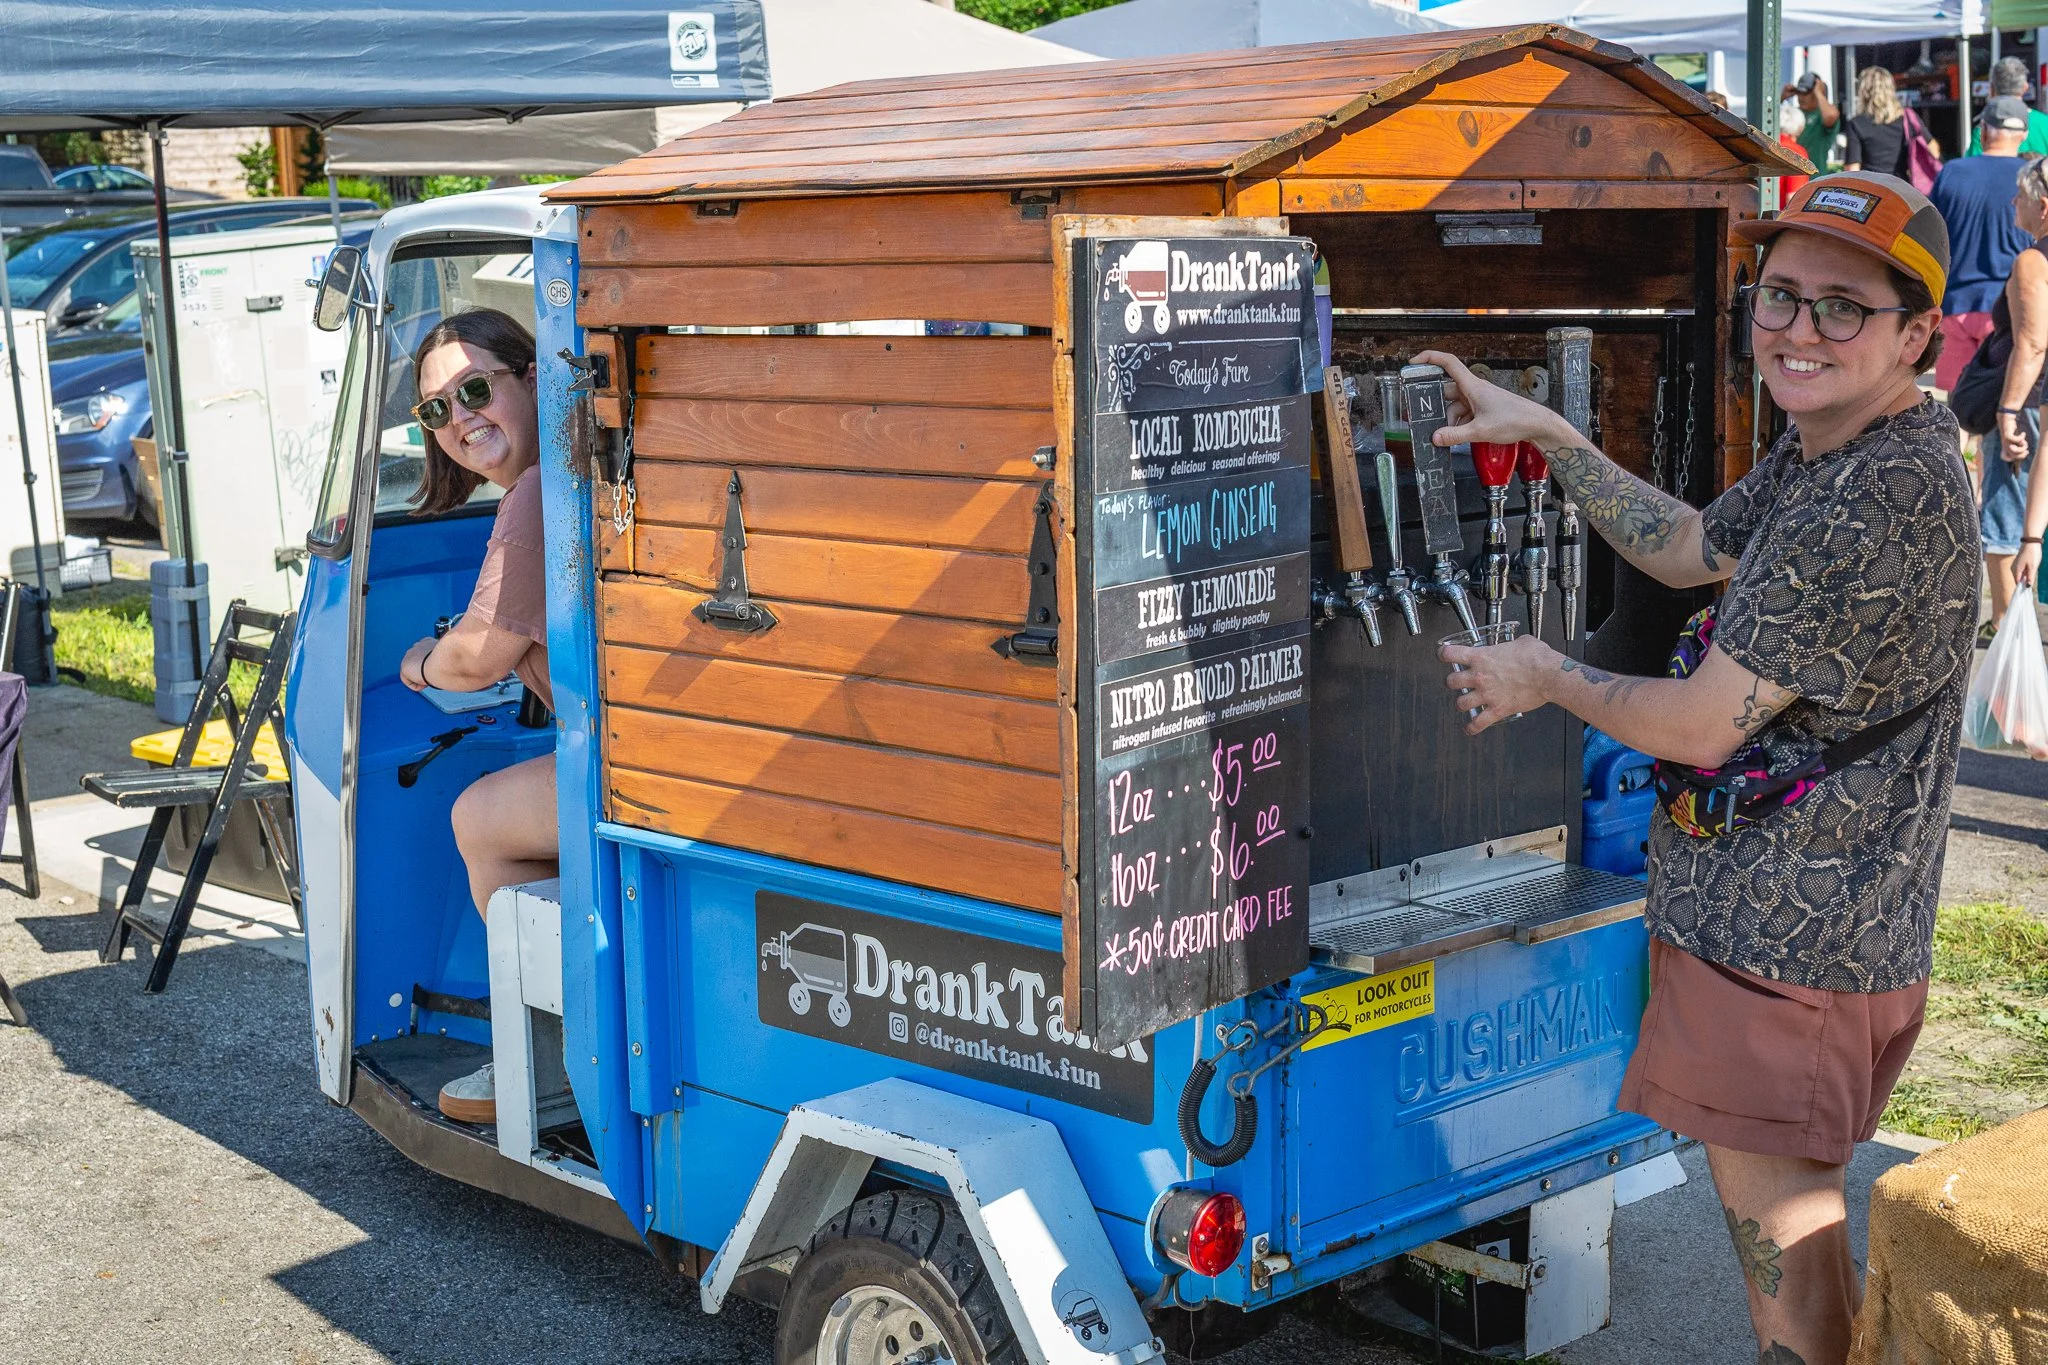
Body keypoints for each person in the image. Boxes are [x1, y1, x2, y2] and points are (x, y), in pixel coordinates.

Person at [1423, 172, 1975, 1365]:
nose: (1797, 332)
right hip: (1807, 939)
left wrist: (1546, 676)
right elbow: (1685, 550)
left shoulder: (1872, 494)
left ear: (1916, 332)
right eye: (1779, 298)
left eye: (1842, 308)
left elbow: (1700, 727)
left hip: (1788, 955)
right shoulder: (1839, 443)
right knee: (1802, 1246)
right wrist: (1553, 435)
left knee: (1789, 1283)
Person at [395, 308, 559, 1126]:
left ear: (529, 376)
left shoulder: (535, 490)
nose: (459, 418)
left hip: (632, 767)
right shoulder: (565, 472)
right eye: (436, 409)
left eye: (475, 388)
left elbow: (478, 656)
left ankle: (534, 1055)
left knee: (478, 815)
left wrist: (415, 664)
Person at [1928, 97, 2035, 393]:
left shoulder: (1953, 172)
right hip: (2011, 308)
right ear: (2023, 135)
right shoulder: (2031, 178)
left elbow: (1931, 234)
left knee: (1960, 407)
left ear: (1984, 131)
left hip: (1954, 307)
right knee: (2005, 403)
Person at [1990, 158, 2048, 620]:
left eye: (2022, 195)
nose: (2015, 202)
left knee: (2005, 522)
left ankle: (2010, 628)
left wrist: (2007, 409)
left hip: (2028, 401)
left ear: (2043, 207)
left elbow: (2031, 342)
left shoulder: (2034, 260)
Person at [1964, 55, 2048, 157]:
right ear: (2025, 88)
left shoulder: (1986, 128)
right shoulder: (2045, 124)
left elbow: (1973, 167)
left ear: (1991, 89)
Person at [1843, 68, 1913, 180]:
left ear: (1863, 92)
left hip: (1873, 190)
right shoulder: (1907, 119)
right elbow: (1932, 149)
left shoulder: (1856, 124)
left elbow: (1852, 170)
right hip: (1903, 188)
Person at [1782, 71, 1841, 172]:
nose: (1801, 97)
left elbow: (1831, 115)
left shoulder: (1822, 115)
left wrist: (1819, 92)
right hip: (1791, 175)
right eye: (1799, 93)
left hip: (1814, 177)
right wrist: (1780, 98)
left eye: (1806, 93)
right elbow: (1767, 123)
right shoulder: (1794, 113)